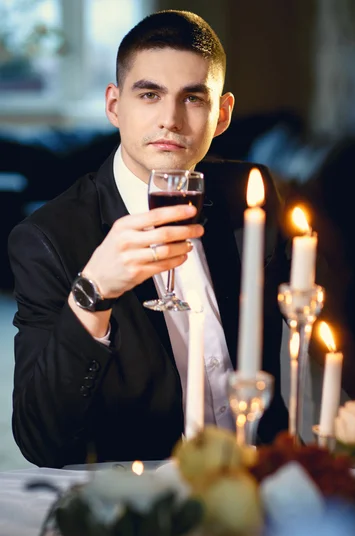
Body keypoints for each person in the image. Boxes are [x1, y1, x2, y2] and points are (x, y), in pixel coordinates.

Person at [8, 10, 289, 468]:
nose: (170, 119)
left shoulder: (252, 195)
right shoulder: (46, 237)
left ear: (222, 115)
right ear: (115, 106)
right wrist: (91, 294)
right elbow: (41, 441)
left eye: (193, 98)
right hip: (142, 504)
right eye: (150, 94)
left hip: (260, 486)